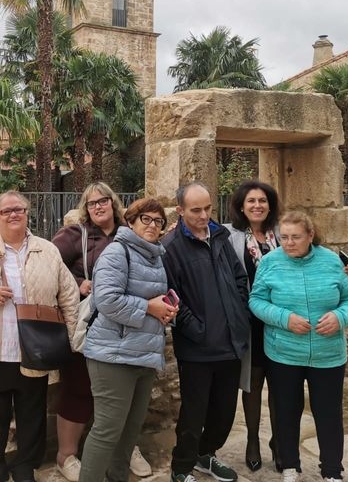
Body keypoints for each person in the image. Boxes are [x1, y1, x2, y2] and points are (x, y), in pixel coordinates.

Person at [0, 190, 79, 482]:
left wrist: (70, 341)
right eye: (6, 211)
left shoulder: (47, 250)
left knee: (32, 415)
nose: (13, 214)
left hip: (34, 351)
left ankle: (24, 467)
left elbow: (69, 296)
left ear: (27, 213)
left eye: (18, 209)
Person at [249, 211, 348, 482]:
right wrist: (284, 318)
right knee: (287, 412)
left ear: (310, 236)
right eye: (284, 237)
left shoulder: (331, 261)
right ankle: (290, 466)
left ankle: (332, 471)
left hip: (328, 354)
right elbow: (256, 301)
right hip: (284, 353)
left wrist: (340, 317)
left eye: (296, 237)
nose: (289, 243)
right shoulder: (270, 262)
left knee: (329, 414)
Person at [51, 182, 153, 480]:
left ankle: (125, 449)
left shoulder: (130, 232)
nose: (98, 206)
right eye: (92, 202)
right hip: (91, 326)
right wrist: (77, 282)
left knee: (126, 394)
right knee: (79, 388)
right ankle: (66, 455)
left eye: (103, 200)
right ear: (86, 207)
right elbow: (49, 263)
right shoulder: (76, 235)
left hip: (128, 328)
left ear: (113, 202)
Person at [78, 197, 178, 482]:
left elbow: (154, 300)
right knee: (107, 430)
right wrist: (149, 307)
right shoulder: (117, 252)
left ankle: (117, 476)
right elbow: (107, 300)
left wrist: (166, 310)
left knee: (130, 429)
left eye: (158, 221)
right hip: (113, 356)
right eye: (145, 219)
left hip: (143, 354)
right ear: (130, 222)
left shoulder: (155, 256)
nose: (152, 225)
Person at [162, 182, 251, 482]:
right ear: (180, 210)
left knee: (224, 413)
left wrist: (238, 313)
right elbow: (171, 296)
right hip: (197, 347)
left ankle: (206, 454)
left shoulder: (220, 236)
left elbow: (239, 278)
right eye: (195, 210)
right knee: (193, 414)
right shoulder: (171, 247)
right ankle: (181, 467)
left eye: (208, 208)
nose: (203, 215)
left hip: (231, 342)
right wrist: (198, 329)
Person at [224, 180, 281, 473]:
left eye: (262, 200)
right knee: (253, 383)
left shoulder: (281, 234)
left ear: (270, 205)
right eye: (251, 201)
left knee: (281, 383)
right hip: (250, 322)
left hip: (281, 321)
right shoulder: (229, 236)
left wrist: (340, 265)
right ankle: (253, 440)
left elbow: (312, 254)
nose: (257, 205)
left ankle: (279, 440)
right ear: (241, 206)